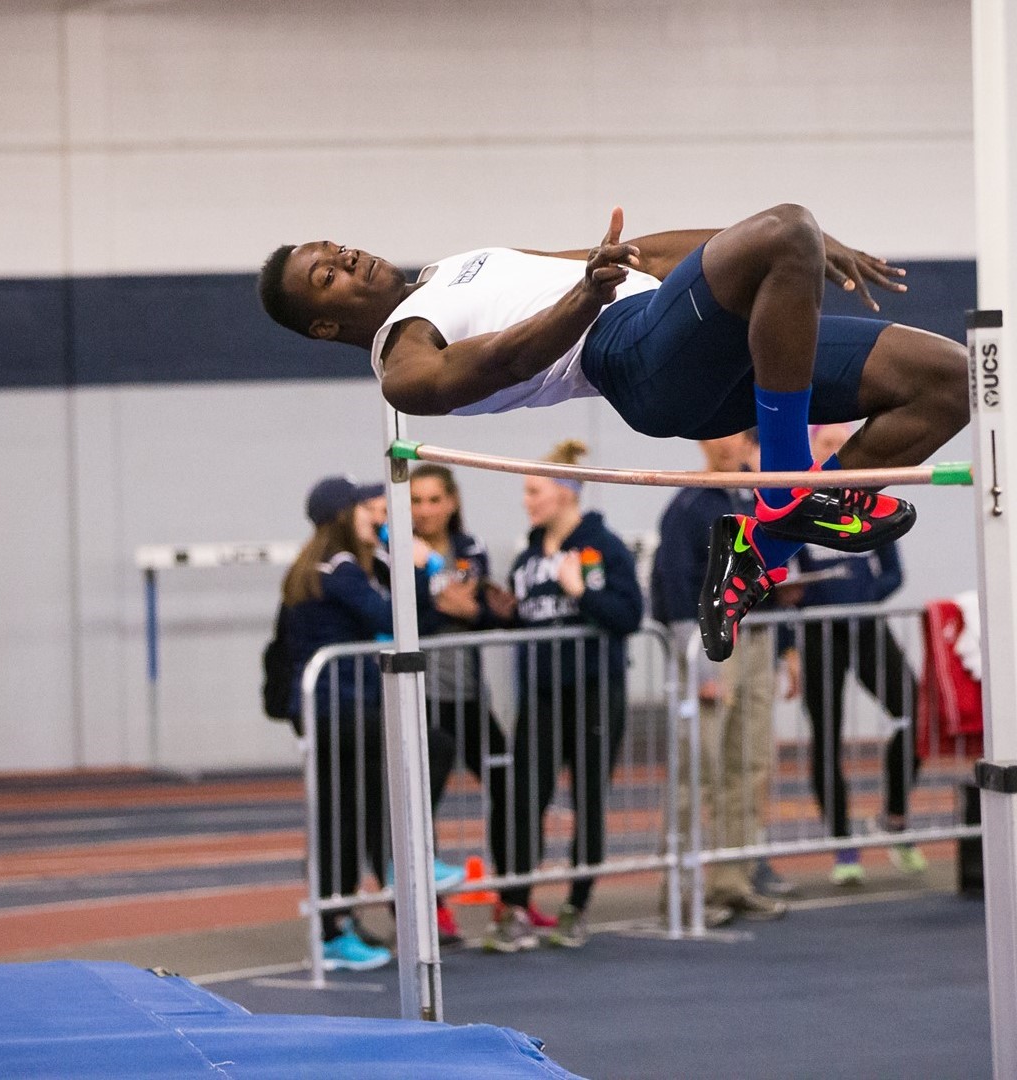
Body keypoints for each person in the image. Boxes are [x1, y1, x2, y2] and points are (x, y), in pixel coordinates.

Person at [256, 204, 970, 660]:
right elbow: (503, 360)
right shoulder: (403, 359)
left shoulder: (449, 269)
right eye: (327, 275)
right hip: (635, 358)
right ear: (325, 325)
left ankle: (761, 547)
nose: (347, 257)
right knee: (783, 228)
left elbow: (643, 259)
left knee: (948, 380)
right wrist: (583, 300)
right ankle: (785, 494)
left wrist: (806, 252)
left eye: (336, 247)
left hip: (692, 337)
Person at [485, 440, 645, 953]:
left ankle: (577, 905)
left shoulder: (603, 547)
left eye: (535, 491)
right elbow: (531, 619)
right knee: (524, 799)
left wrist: (581, 591)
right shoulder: (528, 556)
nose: (527, 501)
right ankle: (514, 906)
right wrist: (505, 613)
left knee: (588, 800)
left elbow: (629, 615)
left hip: (595, 690)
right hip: (542, 694)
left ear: (565, 491)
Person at [276, 475, 441, 971]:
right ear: (345, 516)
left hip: (338, 707)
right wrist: (417, 569)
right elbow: (393, 617)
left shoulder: (326, 566)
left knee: (346, 813)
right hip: (340, 706)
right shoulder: (340, 569)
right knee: (357, 807)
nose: (376, 517)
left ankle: (341, 917)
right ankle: (379, 877)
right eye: (365, 510)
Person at [649, 432, 793, 923]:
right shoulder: (688, 506)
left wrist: (787, 647)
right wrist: (701, 664)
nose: (732, 441)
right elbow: (673, 586)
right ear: (704, 442)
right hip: (713, 644)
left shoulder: (762, 495)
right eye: (721, 432)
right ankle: (684, 890)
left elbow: (778, 569)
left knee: (750, 767)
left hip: (758, 640)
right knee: (700, 772)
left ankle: (734, 880)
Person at [408, 463, 534, 945]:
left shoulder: (470, 549)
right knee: (419, 806)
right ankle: (427, 911)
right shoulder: (396, 553)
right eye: (415, 501)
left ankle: (513, 900)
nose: (425, 510)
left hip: (469, 697)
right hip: (420, 699)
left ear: (452, 502)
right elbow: (404, 617)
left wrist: (472, 609)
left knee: (509, 788)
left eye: (433, 499)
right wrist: (442, 605)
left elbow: (485, 613)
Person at [796, 422, 926, 887]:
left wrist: (861, 597)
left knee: (914, 712)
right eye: (828, 444)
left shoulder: (868, 505)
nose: (836, 451)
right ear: (813, 450)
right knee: (826, 738)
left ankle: (894, 817)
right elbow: (782, 577)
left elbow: (893, 574)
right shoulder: (795, 506)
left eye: (843, 444)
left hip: (868, 628)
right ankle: (843, 845)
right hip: (818, 636)